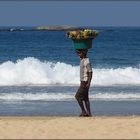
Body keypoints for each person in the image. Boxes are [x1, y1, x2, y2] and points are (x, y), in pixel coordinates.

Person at [75, 49, 93, 117]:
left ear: (84, 53)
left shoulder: (86, 61)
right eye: (78, 53)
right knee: (85, 98)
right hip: (83, 82)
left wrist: (89, 83)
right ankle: (89, 113)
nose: (78, 54)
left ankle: (84, 112)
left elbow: (90, 72)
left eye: (80, 53)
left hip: (85, 82)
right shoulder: (82, 59)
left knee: (77, 96)